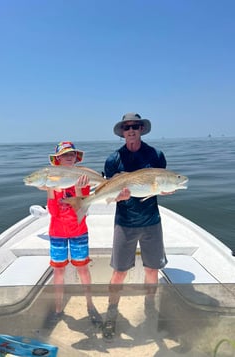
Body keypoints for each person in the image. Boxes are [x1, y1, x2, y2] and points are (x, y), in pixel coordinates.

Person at [102, 113, 169, 340]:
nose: (131, 130)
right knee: (119, 272)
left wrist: (167, 188)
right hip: (125, 223)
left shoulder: (156, 155)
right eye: (127, 127)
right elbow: (108, 193)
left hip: (151, 221)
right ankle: (112, 311)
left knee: (152, 269)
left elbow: (161, 184)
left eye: (135, 126)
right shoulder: (113, 160)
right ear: (122, 132)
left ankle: (149, 308)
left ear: (142, 129)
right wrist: (117, 197)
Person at [44, 141, 102, 327]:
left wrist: (78, 188)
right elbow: (53, 211)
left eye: (72, 154)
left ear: (76, 158)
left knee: (83, 269)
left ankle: (90, 306)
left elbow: (81, 207)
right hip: (57, 232)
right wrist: (52, 188)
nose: (69, 157)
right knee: (58, 271)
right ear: (57, 160)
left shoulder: (83, 178)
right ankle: (58, 310)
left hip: (78, 230)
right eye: (64, 155)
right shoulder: (52, 180)